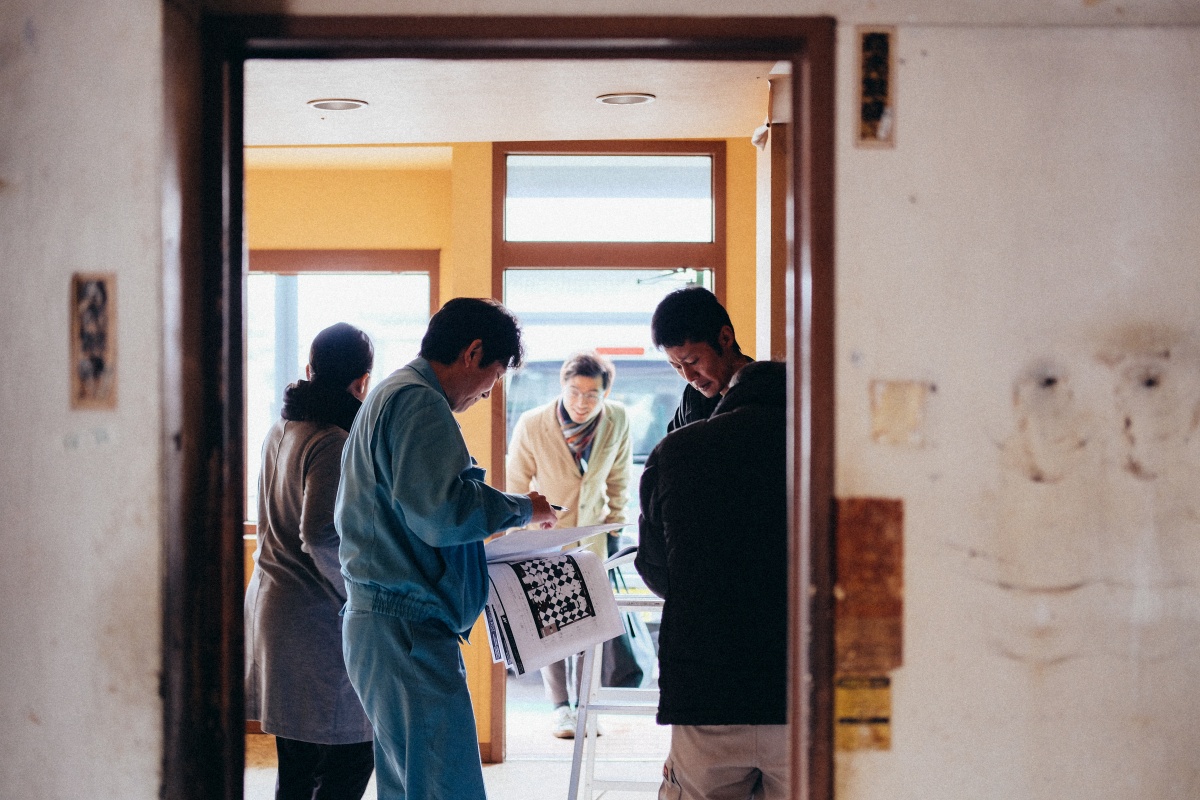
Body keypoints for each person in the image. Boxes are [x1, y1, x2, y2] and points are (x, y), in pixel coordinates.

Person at [335, 297, 558, 800]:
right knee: (444, 787)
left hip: (388, 626)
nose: (486, 394)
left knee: (413, 783)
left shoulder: (390, 393)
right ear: (473, 352)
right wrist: (522, 509)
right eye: (494, 377)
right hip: (404, 629)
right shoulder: (418, 400)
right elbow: (442, 512)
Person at [635, 361, 789, 800]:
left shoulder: (675, 452)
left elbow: (657, 571)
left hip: (707, 685)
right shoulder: (830, 451)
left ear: (727, 398)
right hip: (802, 691)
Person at [244, 322, 377, 800]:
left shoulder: (281, 427)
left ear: (309, 369)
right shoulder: (334, 440)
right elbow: (320, 533)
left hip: (273, 606)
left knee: (298, 769)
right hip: (314, 618)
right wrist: (363, 594)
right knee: (352, 756)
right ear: (363, 381)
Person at [506, 351, 634, 738]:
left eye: (592, 395)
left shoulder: (617, 419)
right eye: (575, 392)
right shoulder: (533, 423)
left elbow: (619, 476)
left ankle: (585, 706)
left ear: (604, 393)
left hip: (593, 536)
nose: (582, 402)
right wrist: (518, 536)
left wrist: (615, 522)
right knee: (552, 625)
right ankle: (560, 707)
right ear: (562, 387)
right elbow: (517, 482)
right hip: (545, 538)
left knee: (589, 627)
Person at [650, 286, 754, 433]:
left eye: (693, 361)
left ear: (725, 338)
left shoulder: (767, 394)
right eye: (678, 367)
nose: (689, 377)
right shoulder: (693, 399)